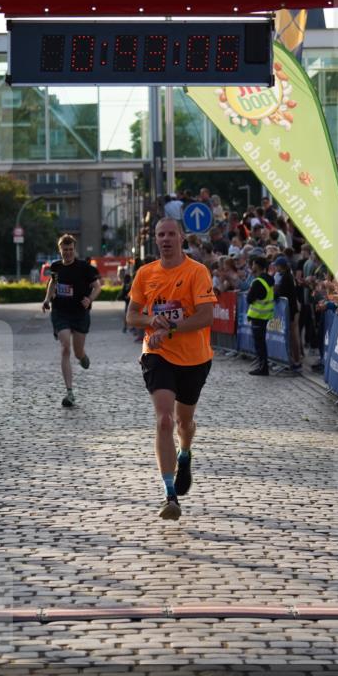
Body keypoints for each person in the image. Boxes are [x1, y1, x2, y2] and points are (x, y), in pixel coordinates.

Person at [126, 217, 216, 521]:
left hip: (194, 358)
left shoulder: (196, 272)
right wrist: (150, 321)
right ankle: (169, 494)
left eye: (171, 234)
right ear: (155, 239)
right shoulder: (145, 273)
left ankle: (185, 453)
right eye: (160, 235)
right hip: (157, 353)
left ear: (181, 237)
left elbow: (205, 316)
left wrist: (171, 328)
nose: (165, 239)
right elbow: (132, 315)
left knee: (183, 423)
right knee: (164, 420)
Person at [41, 234, 102, 408]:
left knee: (77, 351)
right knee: (65, 347)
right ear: (60, 250)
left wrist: (89, 299)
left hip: (80, 313)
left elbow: (97, 287)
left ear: (74, 250)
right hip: (60, 312)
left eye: (70, 250)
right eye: (64, 250)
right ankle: (69, 392)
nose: (67, 253)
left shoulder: (84, 267)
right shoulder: (56, 266)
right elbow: (53, 283)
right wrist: (47, 299)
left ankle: (82, 356)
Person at [246, 254, 275, 377]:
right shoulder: (269, 280)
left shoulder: (258, 282)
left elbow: (249, 299)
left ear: (257, 266)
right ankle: (262, 367)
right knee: (261, 343)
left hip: (258, 316)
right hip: (265, 316)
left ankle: (263, 368)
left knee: (259, 344)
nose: (251, 266)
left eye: (253, 264)